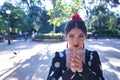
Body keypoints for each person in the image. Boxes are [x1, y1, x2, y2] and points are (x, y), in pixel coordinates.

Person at [47, 13, 105, 80]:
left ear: (85, 37)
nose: (76, 41)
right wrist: (70, 71)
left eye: (80, 36)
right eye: (71, 36)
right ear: (66, 37)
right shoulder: (58, 57)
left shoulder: (92, 56)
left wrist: (83, 70)